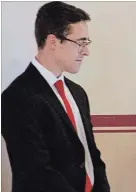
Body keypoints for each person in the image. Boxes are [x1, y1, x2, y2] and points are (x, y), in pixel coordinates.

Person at [1, 1, 110, 192]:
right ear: (53, 42)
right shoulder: (17, 97)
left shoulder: (77, 93)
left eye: (86, 43)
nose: (86, 51)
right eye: (80, 43)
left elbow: (92, 157)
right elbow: (36, 172)